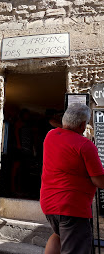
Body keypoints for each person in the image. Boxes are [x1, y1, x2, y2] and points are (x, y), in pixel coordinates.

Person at [40, 103, 104, 254]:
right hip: (72, 207)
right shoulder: (85, 145)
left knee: (58, 236)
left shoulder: (50, 136)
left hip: (49, 204)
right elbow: (99, 181)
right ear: (83, 125)